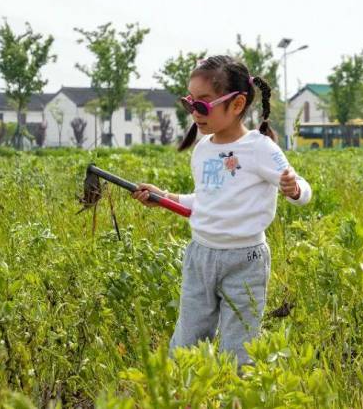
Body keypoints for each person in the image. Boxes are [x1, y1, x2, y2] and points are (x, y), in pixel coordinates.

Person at [132, 55, 312, 365]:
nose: (195, 112)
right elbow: (205, 202)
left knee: (239, 350)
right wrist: (165, 197)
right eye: (190, 103)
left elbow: (303, 191)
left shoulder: (260, 148)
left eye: (203, 104)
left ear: (238, 104)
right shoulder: (203, 150)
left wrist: (293, 189)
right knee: (187, 344)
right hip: (200, 256)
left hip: (245, 261)